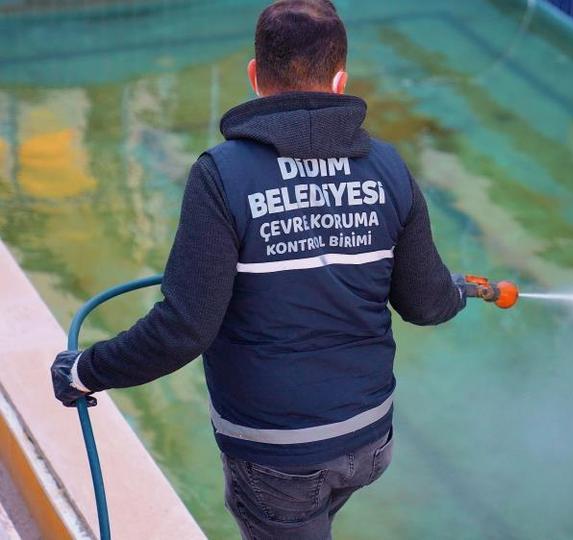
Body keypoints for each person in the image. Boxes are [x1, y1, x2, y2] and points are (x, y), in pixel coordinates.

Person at [50, 1, 472, 537]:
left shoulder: (222, 175)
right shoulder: (388, 167)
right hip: (370, 439)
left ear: (254, 76)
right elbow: (428, 302)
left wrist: (85, 371)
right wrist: (459, 291)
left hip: (280, 458)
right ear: (341, 80)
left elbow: (184, 329)